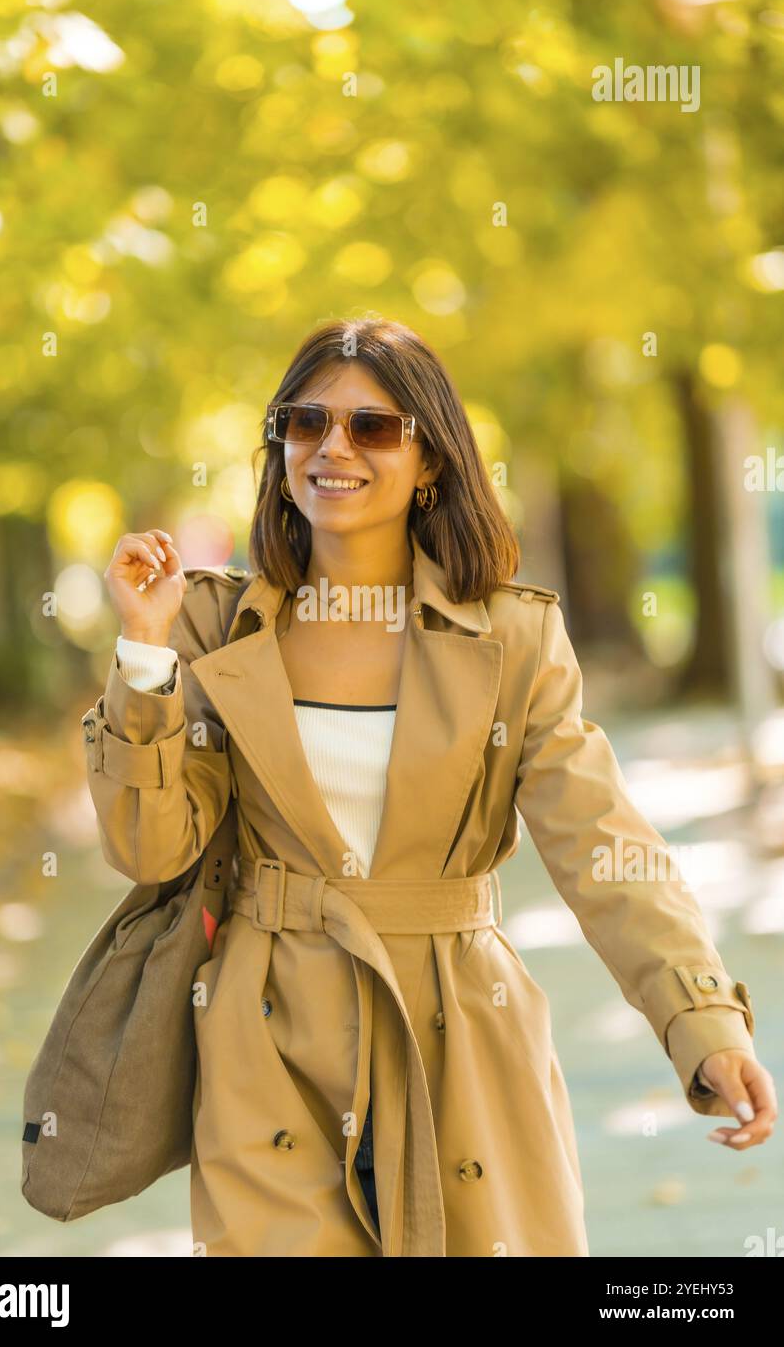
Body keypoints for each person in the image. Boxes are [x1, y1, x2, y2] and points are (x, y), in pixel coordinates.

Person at [87, 316, 775, 1257]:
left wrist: (701, 1016)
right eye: (304, 423)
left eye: (372, 427)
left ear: (432, 461)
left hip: (463, 1041)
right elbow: (150, 847)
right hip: (267, 1048)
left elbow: (602, 841)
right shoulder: (211, 625)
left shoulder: (512, 638)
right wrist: (141, 655)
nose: (332, 447)